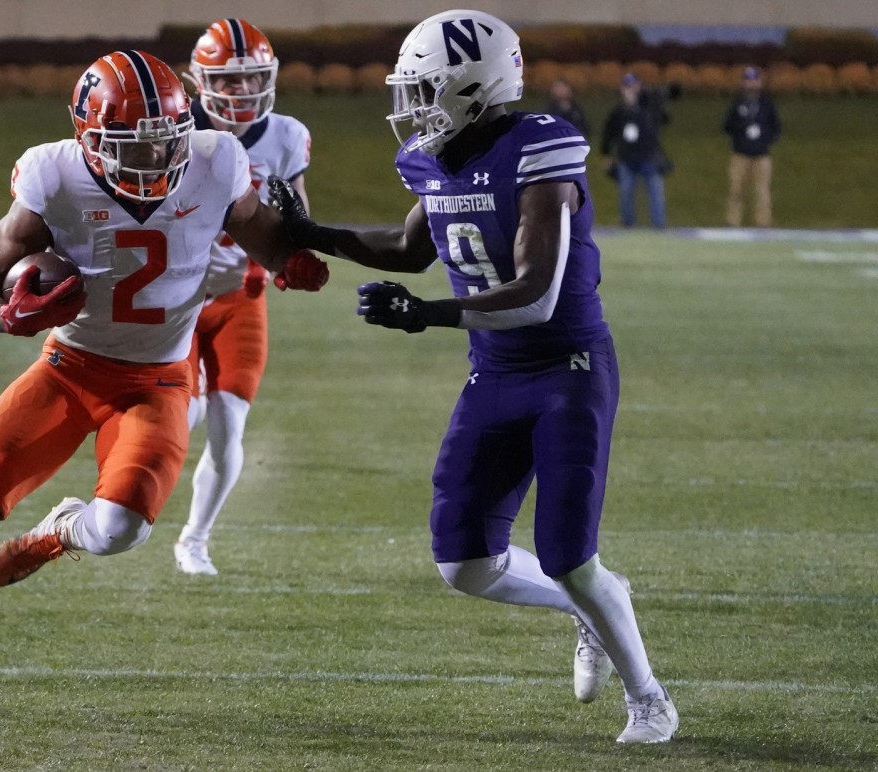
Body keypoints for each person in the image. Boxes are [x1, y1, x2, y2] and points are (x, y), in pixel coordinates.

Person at [267, 10, 678, 744]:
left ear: (475, 86)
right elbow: (404, 245)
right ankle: (586, 611)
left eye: (427, 88)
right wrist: (311, 233)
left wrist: (426, 316)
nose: (414, 105)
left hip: (566, 371)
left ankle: (650, 698)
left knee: (571, 556)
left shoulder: (539, 150)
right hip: (494, 374)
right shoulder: (432, 157)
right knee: (463, 562)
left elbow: (536, 294)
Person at [0, 49, 329, 714]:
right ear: (85, 138)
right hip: (70, 368)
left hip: (158, 380)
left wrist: (290, 258)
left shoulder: (216, 159)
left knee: (123, 529)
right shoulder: (51, 175)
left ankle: (58, 533)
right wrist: (7, 317)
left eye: (166, 142)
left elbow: (262, 235)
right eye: (134, 146)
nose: (155, 161)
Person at [171, 18, 313, 576]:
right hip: (175, 296)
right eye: (228, 82)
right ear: (200, 82)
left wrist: (295, 239)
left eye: (253, 79)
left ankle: (194, 539)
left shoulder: (286, 136)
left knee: (230, 422)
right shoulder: (175, 131)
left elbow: (301, 218)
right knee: (178, 419)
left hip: (240, 294)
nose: (242, 92)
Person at [600, 73, 669, 228]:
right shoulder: (618, 111)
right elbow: (608, 133)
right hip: (627, 158)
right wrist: (606, 154)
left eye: (634, 86)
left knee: (656, 194)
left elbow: (664, 119)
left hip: (649, 157)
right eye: (627, 87)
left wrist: (652, 99)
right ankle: (628, 226)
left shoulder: (650, 106)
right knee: (626, 194)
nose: (631, 90)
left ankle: (659, 226)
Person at [723, 66, 780, 228]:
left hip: (762, 155)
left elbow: (776, 126)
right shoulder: (737, 104)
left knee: (762, 191)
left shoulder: (767, 104)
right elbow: (727, 126)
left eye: (755, 81)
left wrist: (766, 140)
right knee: (736, 190)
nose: (751, 84)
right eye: (748, 81)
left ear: (760, 83)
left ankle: (763, 222)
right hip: (740, 154)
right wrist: (741, 130)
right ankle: (732, 221)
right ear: (743, 83)